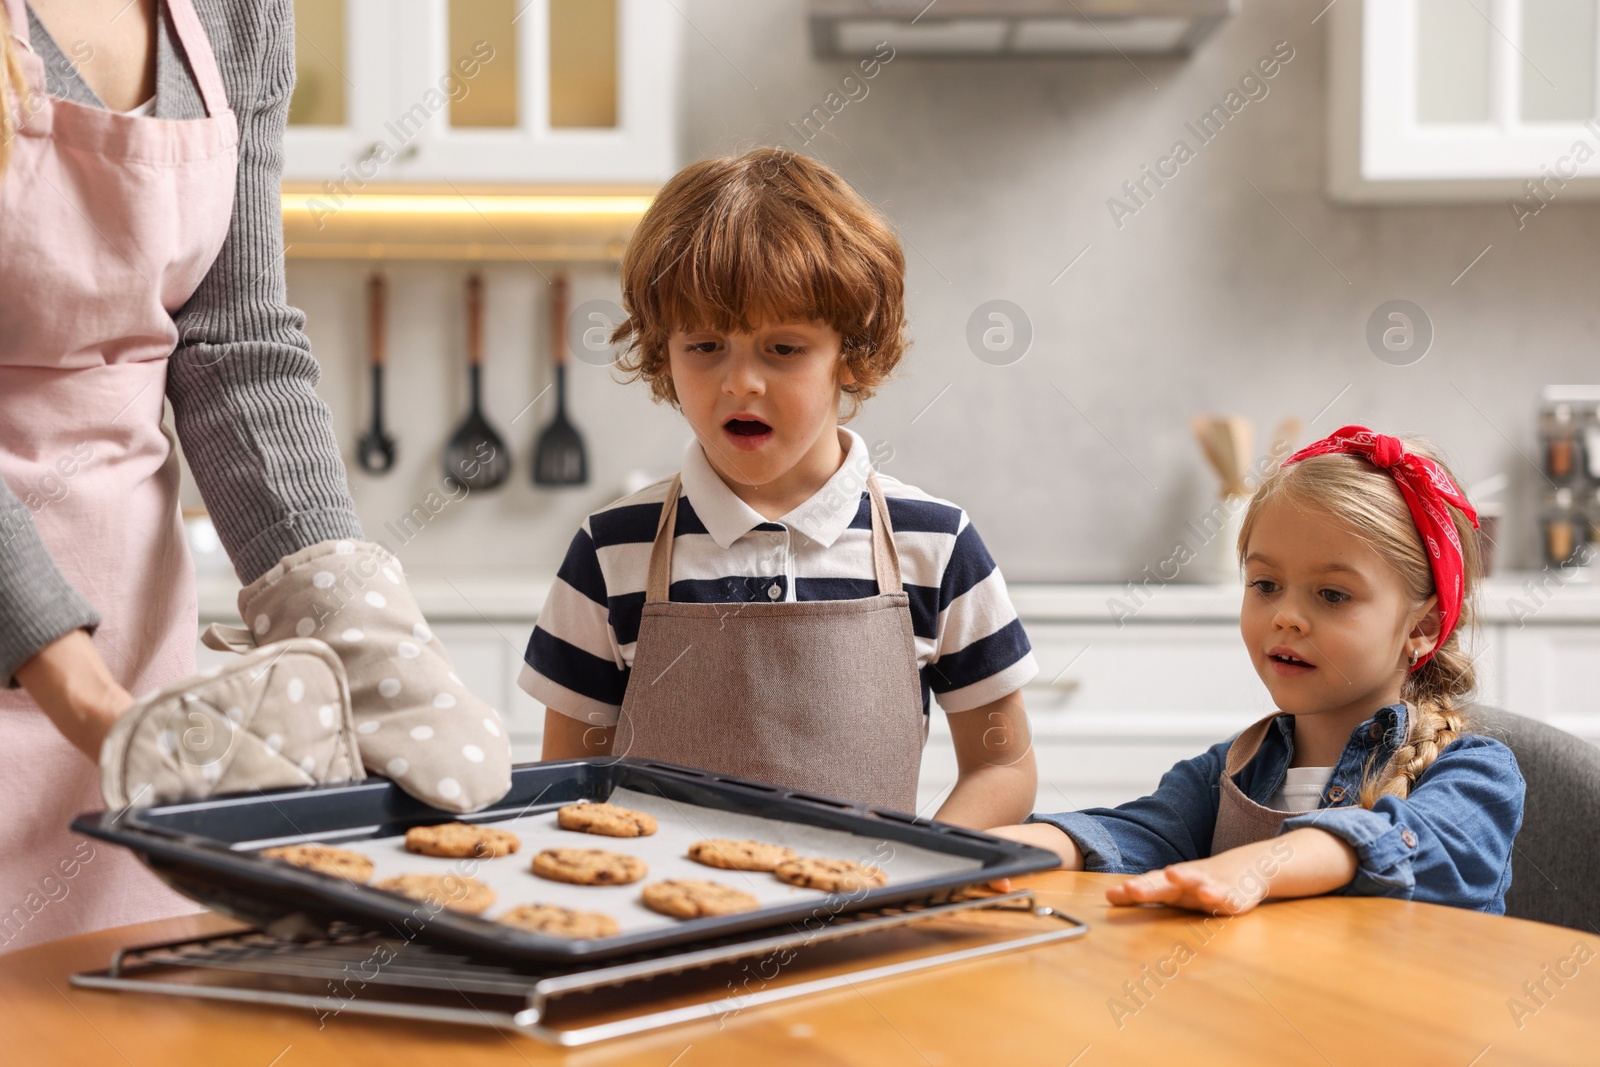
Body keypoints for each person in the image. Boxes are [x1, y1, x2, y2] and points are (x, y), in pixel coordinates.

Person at [0, 0, 507, 953]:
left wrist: (361, 626)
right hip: (67, 673)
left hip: (137, 662)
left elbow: (233, 346)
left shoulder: (239, 13)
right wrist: (88, 701)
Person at [520, 148, 1038, 828]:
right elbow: (570, 783)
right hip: (663, 926)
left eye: (783, 349)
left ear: (850, 355)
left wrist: (920, 868)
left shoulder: (935, 545)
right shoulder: (611, 551)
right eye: (705, 346)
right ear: (662, 353)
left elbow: (1002, 764)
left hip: (863, 918)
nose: (741, 382)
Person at [990, 426, 1525, 914]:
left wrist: (1259, 865)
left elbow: (1410, 839)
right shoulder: (1229, 769)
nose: (1286, 617)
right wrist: (1016, 848)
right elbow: (1140, 832)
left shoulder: (1478, 777)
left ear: (1422, 626)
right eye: (1266, 585)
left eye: (1332, 594)